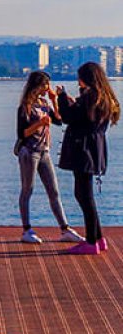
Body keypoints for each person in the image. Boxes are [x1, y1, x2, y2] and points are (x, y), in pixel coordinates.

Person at [58, 61, 120, 255]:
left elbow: (69, 116)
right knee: (86, 195)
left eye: (80, 77)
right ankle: (98, 238)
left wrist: (61, 97)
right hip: (95, 150)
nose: (78, 81)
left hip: (83, 150)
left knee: (84, 195)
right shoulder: (104, 98)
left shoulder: (90, 97)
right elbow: (82, 116)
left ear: (86, 78)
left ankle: (92, 242)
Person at [16, 71, 81, 244]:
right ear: (37, 85)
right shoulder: (25, 106)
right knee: (27, 190)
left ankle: (65, 228)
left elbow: (59, 120)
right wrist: (39, 123)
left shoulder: (44, 103)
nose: (48, 88)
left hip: (45, 151)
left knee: (54, 191)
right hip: (29, 152)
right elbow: (22, 133)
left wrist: (54, 100)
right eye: (46, 85)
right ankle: (27, 230)